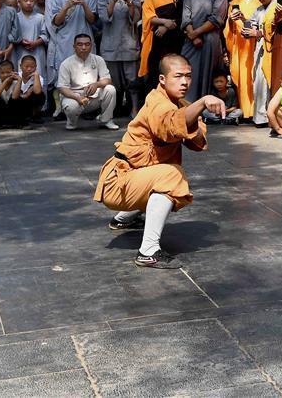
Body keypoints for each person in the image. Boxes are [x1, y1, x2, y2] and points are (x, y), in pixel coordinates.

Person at [95, 54, 225, 268]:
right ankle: (148, 252)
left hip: (134, 181)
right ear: (163, 79)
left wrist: (193, 121)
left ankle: (123, 218)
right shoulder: (158, 103)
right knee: (172, 175)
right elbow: (171, 125)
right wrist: (202, 102)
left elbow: (197, 143)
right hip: (117, 185)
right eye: (178, 76)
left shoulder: (180, 104)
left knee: (164, 172)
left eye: (188, 76)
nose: (184, 82)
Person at [181, 0, 228, 102]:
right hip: (191, 40)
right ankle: (188, 104)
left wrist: (196, 33)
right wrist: (192, 35)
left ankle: (206, 105)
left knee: (207, 73)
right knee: (188, 70)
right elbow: (185, 17)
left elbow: (216, 19)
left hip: (209, 39)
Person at [45, 0, 97, 89]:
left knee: (86, 73)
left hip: (85, 35)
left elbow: (92, 20)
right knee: (66, 72)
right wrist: (66, 8)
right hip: (65, 40)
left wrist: (84, 5)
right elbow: (56, 22)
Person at [100, 0, 140, 118]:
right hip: (110, 45)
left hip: (129, 45)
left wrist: (130, 3)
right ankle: (113, 110)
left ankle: (134, 108)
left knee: (132, 82)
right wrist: (113, 1)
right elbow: (104, 17)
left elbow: (135, 19)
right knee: (113, 82)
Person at [57, 33, 118, 130]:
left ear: (91, 46)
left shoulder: (98, 59)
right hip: (74, 96)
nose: (84, 47)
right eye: (80, 44)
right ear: (74, 46)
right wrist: (77, 97)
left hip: (94, 95)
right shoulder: (66, 63)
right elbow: (62, 88)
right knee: (71, 107)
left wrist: (97, 84)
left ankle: (106, 120)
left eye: (87, 44)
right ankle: (72, 122)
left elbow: (108, 80)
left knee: (110, 89)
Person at [139, 0, 185, 88]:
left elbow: (183, 15)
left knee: (174, 69)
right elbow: (148, 17)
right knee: (156, 70)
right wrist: (165, 22)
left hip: (176, 38)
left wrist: (166, 26)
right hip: (157, 38)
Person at [224, 0, 261, 119]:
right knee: (242, 78)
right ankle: (245, 112)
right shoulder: (234, 3)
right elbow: (228, 30)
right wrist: (230, 21)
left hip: (255, 46)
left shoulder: (259, 1)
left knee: (254, 78)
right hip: (239, 48)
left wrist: (245, 20)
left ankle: (256, 112)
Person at [13, 0, 48, 81]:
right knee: (20, 76)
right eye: (26, 0)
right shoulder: (15, 17)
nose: (28, 3)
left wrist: (36, 43)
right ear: (19, 2)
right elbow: (12, 35)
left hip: (37, 51)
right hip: (20, 51)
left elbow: (46, 35)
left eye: (31, 0)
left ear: (35, 2)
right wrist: (21, 41)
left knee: (38, 76)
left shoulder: (41, 17)